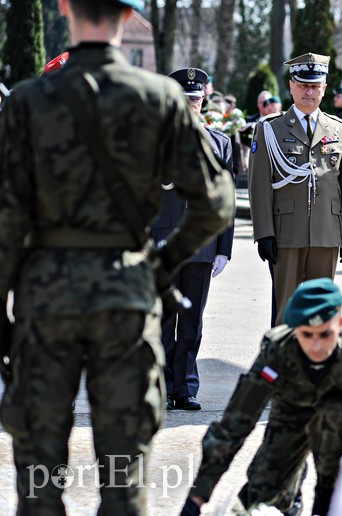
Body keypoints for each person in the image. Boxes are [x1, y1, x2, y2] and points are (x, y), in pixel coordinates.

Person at [0, 0, 234, 513]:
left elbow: (6, 217)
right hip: (127, 296)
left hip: (45, 299)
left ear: (64, 9)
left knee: (38, 478)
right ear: (128, 17)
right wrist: (159, 266)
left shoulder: (26, 102)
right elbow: (215, 201)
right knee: (123, 474)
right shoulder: (161, 98)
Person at [179, 278, 342, 516]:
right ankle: (290, 493)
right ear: (294, 330)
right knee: (261, 497)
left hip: (340, 424)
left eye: (325, 334)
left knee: (338, 496)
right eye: (307, 335)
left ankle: (326, 497)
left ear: (340, 323)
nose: (316, 345)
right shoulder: (278, 351)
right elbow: (234, 424)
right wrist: (197, 497)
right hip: (291, 414)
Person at [249, 52, 342, 325]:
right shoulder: (270, 129)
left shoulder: (339, 129)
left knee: (322, 309)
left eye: (314, 86)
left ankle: (317, 366)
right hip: (286, 232)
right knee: (285, 309)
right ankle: (281, 365)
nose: (309, 92)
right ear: (291, 86)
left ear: (324, 88)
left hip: (327, 231)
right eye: (303, 85)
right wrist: (264, 233)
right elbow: (259, 186)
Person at [153, 67, 235, 411]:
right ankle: (160, 386)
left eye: (196, 99)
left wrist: (223, 249)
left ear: (204, 101)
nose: (190, 105)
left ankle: (185, 387)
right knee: (160, 321)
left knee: (191, 322)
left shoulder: (220, 142)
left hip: (202, 246)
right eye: (183, 99)